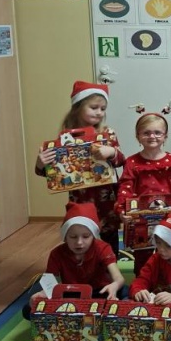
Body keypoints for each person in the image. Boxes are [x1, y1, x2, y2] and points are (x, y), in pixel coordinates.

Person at [34, 81, 125, 255]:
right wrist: (41, 163)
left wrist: (111, 151)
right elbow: (54, 174)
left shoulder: (107, 134)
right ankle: (84, 267)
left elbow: (122, 160)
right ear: (78, 107)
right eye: (94, 107)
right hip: (80, 200)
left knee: (109, 238)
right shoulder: (66, 138)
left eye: (103, 108)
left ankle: (110, 266)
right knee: (82, 236)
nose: (99, 112)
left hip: (107, 200)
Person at [116, 110, 171, 275]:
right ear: (138, 136)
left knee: (168, 249)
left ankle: (166, 279)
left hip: (168, 215)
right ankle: (142, 281)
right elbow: (125, 187)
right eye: (146, 133)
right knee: (142, 252)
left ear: (165, 136)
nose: (152, 136)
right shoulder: (132, 162)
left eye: (157, 132)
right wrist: (122, 210)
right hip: (142, 218)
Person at [23, 202, 125, 319]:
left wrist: (115, 285)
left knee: (126, 293)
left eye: (86, 236)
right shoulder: (56, 254)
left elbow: (119, 278)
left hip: (100, 292)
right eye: (73, 237)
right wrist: (43, 294)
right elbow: (49, 284)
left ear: (94, 236)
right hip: (71, 295)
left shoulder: (102, 248)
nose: (79, 242)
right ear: (65, 237)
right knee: (28, 309)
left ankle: (84, 314)